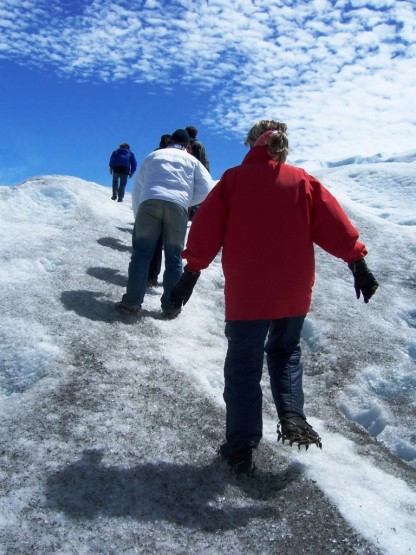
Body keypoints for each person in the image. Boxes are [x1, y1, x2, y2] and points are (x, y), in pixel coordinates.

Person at [169, 120, 379, 475]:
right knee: (285, 353)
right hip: (293, 292)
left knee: (243, 370)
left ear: (251, 143)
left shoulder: (233, 181)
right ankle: (293, 415)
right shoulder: (302, 181)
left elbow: (206, 230)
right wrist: (357, 263)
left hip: (248, 294)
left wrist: (190, 274)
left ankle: (240, 449)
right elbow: (333, 223)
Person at [116, 129, 212, 319]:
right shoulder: (193, 161)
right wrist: (186, 201)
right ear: (187, 146)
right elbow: (206, 188)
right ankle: (171, 306)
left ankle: (132, 303)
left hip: (149, 202)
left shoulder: (154, 155)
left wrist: (139, 212)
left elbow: (138, 187)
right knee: (174, 257)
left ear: (170, 142)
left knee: (141, 254)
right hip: (178, 207)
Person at [185, 126, 210, 220]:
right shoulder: (199, 145)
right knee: (197, 195)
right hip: (197, 174)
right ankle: (193, 216)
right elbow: (204, 161)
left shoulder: (184, 145)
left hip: (185, 174)